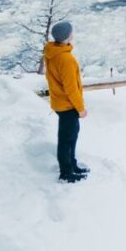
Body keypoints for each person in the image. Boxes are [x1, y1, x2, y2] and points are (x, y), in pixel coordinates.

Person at [43, 20, 88, 183]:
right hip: (68, 105)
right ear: (66, 37)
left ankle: (72, 165)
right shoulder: (65, 59)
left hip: (59, 103)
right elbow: (71, 89)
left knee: (69, 137)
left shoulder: (52, 51)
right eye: (71, 32)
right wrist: (81, 108)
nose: (73, 33)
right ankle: (66, 173)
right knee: (67, 139)